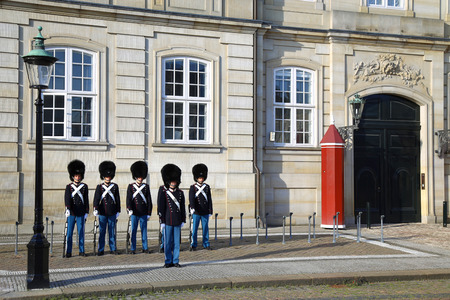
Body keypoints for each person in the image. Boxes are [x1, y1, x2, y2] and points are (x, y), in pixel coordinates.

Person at [157, 164, 186, 268]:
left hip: (177, 220)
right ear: (168, 181)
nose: (173, 183)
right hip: (168, 221)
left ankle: (176, 260)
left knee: (177, 243)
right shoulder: (164, 193)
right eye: (172, 181)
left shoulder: (180, 193)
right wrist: (162, 221)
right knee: (167, 243)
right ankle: (168, 260)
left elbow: (182, 207)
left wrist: (183, 219)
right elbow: (161, 207)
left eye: (175, 181)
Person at [93, 160, 121, 255]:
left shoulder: (115, 186)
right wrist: (95, 208)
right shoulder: (100, 187)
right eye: (106, 176)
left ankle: (113, 248)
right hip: (102, 212)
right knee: (102, 232)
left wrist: (118, 210)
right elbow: (96, 199)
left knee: (112, 232)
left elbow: (117, 199)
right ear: (103, 176)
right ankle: (101, 249)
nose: (108, 177)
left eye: (109, 176)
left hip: (112, 212)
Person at [126, 161, 153, 254]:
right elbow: (128, 199)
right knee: (133, 231)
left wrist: (149, 212)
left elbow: (149, 200)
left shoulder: (146, 187)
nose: (140, 179)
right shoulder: (131, 187)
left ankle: (145, 247)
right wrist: (129, 209)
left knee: (144, 231)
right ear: (136, 177)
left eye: (141, 177)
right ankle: (133, 248)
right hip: (134, 212)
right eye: (139, 177)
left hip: (143, 212)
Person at [64, 159, 89, 257]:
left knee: (81, 232)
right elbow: (67, 199)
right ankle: (68, 251)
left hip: (81, 212)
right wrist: (67, 209)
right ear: (73, 176)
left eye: (79, 176)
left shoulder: (84, 186)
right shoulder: (69, 187)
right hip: (72, 212)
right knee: (69, 233)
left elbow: (86, 199)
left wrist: (87, 211)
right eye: (76, 176)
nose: (77, 177)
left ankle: (81, 250)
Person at [189, 163, 213, 251]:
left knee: (205, 229)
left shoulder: (206, 187)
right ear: (196, 178)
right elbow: (191, 199)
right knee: (194, 229)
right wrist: (192, 208)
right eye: (199, 178)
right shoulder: (193, 187)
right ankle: (193, 244)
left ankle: (206, 243)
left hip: (205, 211)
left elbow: (209, 199)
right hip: (196, 212)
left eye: (202, 178)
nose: (201, 179)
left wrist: (210, 210)